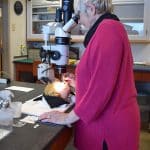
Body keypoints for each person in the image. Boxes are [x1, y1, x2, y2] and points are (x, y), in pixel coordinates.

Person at [39, 0, 140, 149]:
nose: (78, 21)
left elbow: (101, 89)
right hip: (108, 122)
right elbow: (104, 78)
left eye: (79, 15)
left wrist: (68, 117)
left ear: (91, 9)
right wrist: (79, 83)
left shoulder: (108, 30)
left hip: (108, 129)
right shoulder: (108, 29)